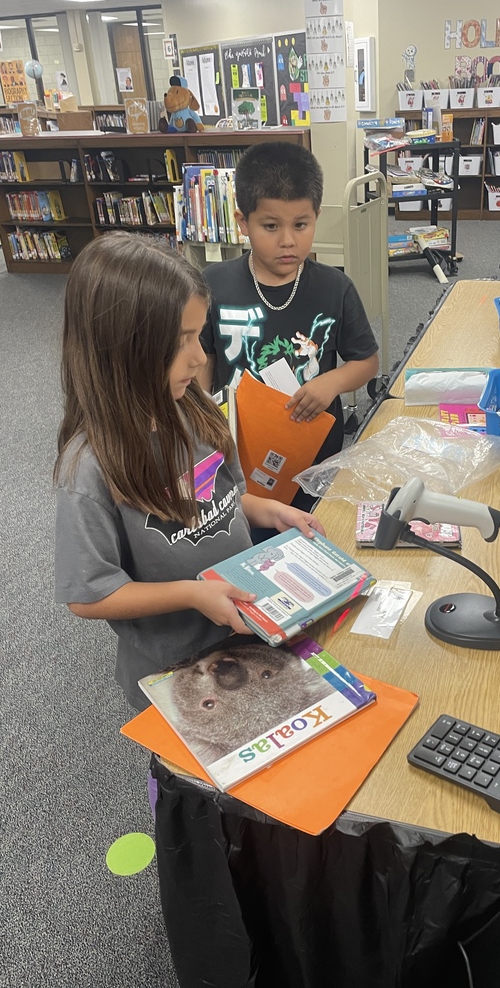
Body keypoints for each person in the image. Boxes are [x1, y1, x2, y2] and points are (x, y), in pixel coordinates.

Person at [53, 232, 324, 710]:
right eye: (181, 342)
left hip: (249, 632)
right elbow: (88, 593)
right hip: (177, 668)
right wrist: (194, 594)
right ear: (124, 348)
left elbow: (226, 496)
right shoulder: (89, 469)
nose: (200, 357)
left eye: (199, 335)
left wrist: (268, 511)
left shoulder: (193, 405)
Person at [200, 142, 379, 507]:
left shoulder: (335, 288)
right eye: (270, 226)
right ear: (242, 222)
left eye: (301, 225)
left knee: (314, 528)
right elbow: (203, 357)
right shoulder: (213, 284)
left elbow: (366, 360)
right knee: (245, 529)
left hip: (315, 457)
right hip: (238, 449)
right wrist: (201, 414)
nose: (288, 241)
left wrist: (332, 382)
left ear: (316, 217)